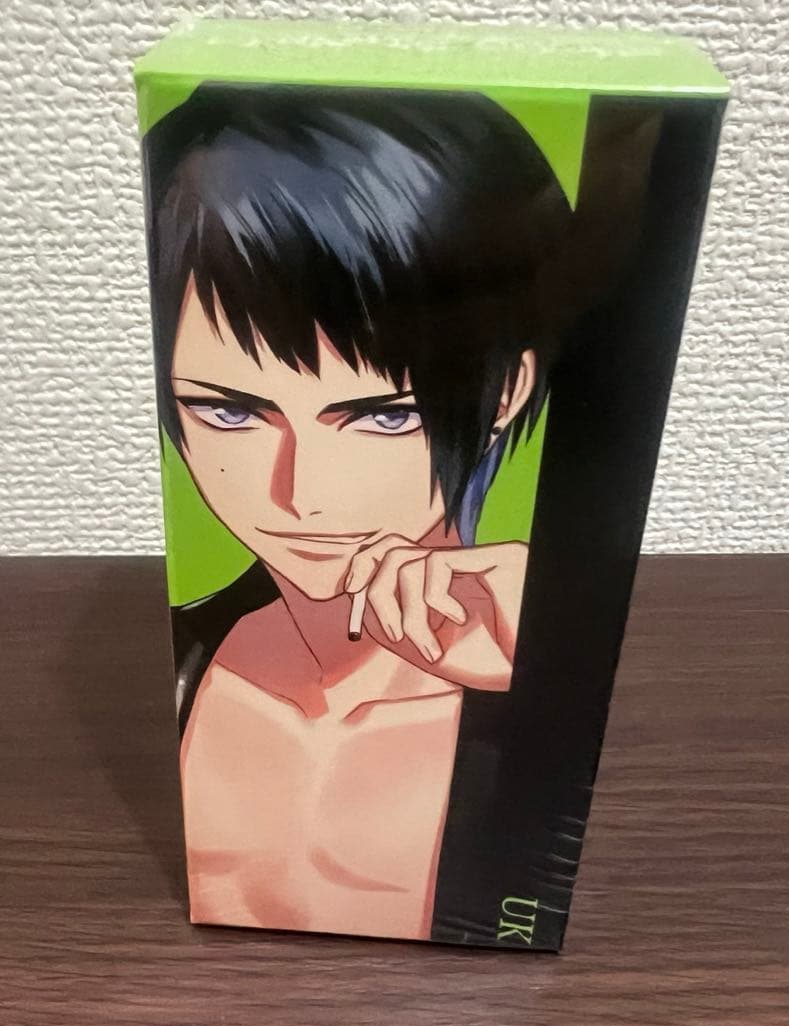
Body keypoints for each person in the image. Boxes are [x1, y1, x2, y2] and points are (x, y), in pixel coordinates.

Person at [143, 82, 574, 940]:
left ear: (505, 393)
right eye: (229, 410)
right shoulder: (189, 655)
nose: (300, 495)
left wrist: (566, 663)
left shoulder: (544, 676)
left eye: (382, 416)